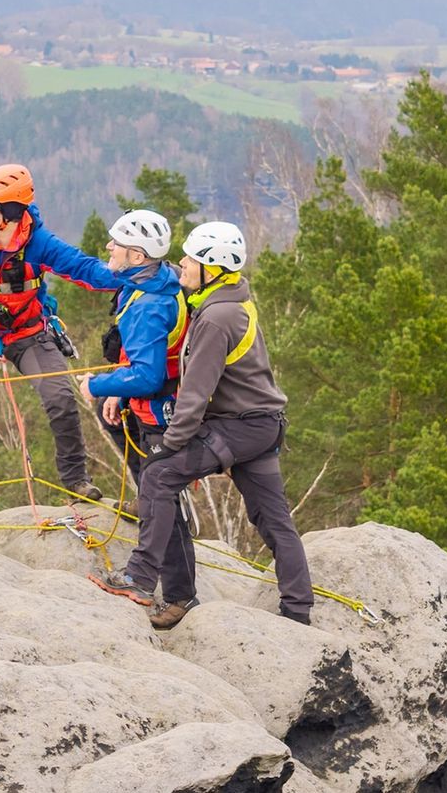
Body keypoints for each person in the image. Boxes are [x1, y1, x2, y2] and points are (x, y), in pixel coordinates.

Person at [88, 221, 314, 626]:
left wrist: (171, 444)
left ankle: (140, 577)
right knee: (273, 520)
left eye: (191, 259)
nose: (183, 264)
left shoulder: (215, 319)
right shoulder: (228, 298)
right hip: (263, 425)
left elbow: (195, 393)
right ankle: (298, 611)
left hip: (239, 426)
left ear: (211, 268)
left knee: (158, 476)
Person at [0, 164, 119, 528]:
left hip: (29, 332)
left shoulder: (39, 243)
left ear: (10, 211)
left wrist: (138, 276)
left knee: (60, 399)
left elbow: (84, 270)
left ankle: (76, 481)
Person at [76, 210, 196, 629]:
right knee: (158, 494)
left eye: (117, 243)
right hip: (156, 407)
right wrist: (117, 393)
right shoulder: (159, 279)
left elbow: (147, 375)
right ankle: (180, 594)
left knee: (162, 500)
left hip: (159, 414)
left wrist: (99, 384)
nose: (109, 246)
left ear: (138, 255)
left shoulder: (148, 306)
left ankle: (171, 592)